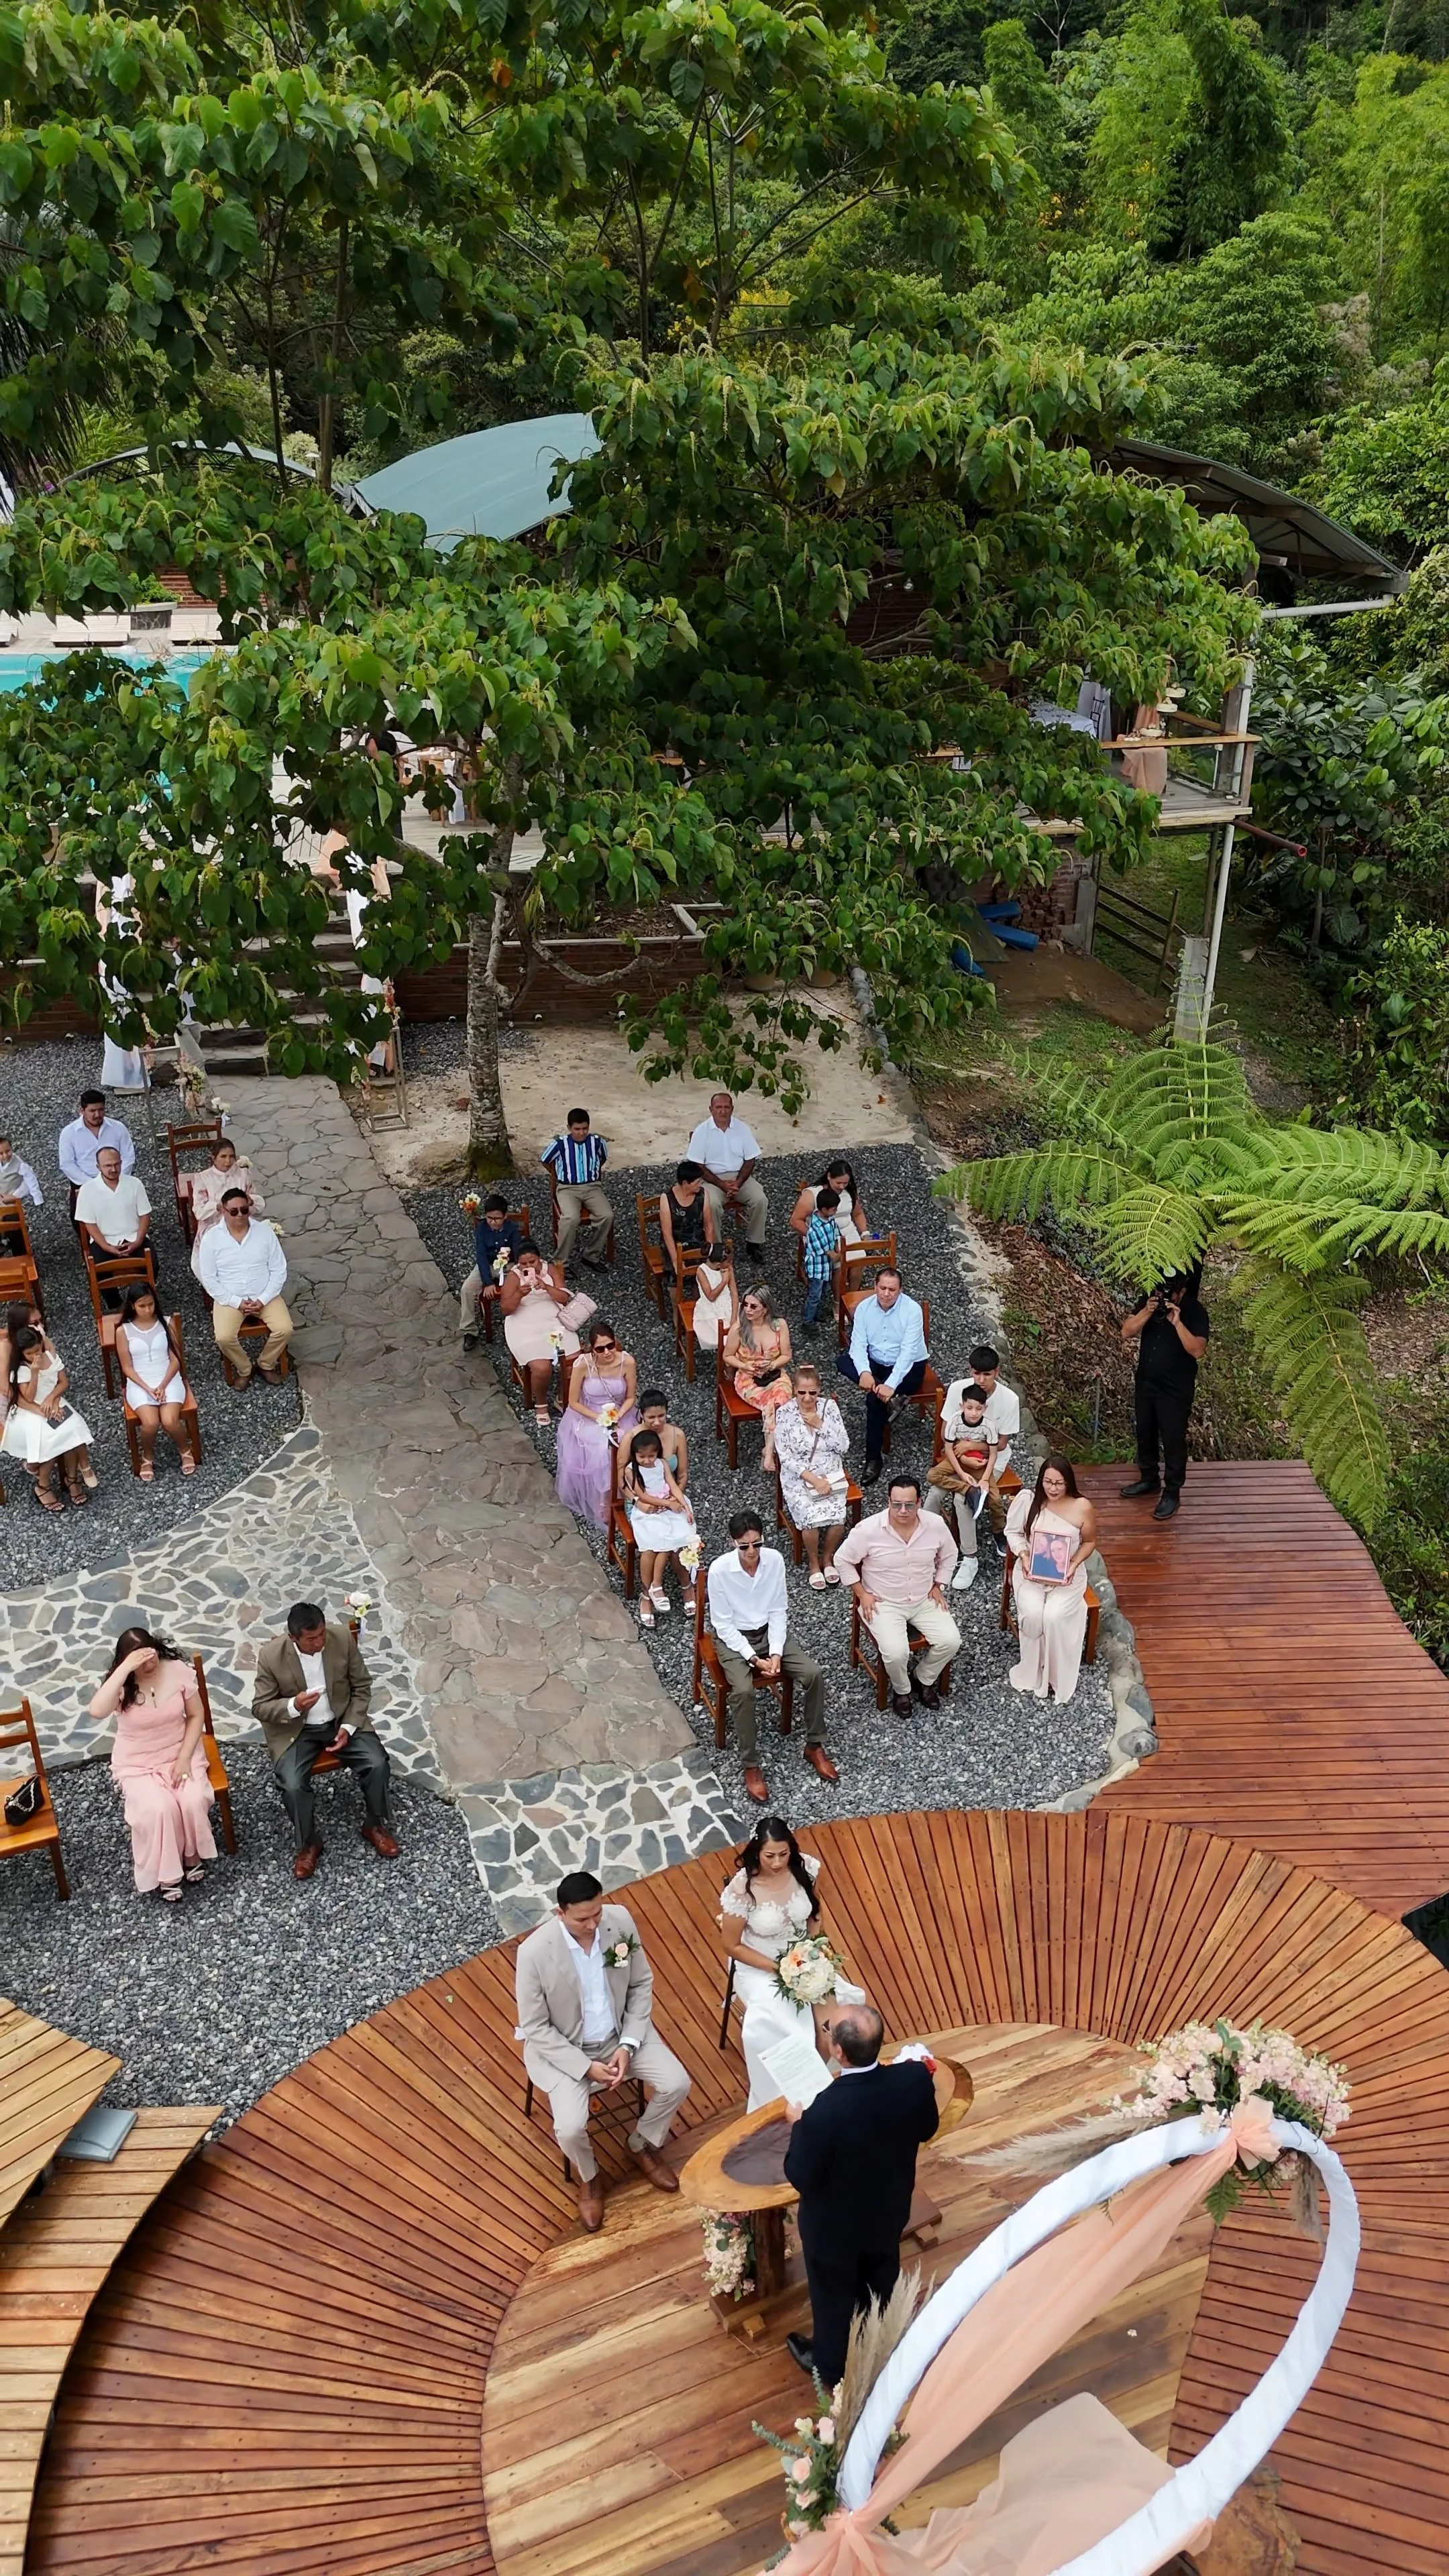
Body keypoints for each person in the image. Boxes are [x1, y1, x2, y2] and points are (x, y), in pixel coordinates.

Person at [514, 1868, 693, 2232]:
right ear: (559, 1913)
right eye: (583, 1918)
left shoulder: (619, 1920)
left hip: (620, 2035)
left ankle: (641, 2142)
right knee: (569, 2128)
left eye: (598, 1913)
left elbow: (642, 1983)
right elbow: (534, 2027)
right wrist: (585, 2067)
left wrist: (628, 2043)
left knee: (677, 2083)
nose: (594, 1924)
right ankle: (590, 2177)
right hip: (567, 2050)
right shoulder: (533, 1953)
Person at [782, 2003, 940, 2386]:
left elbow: (800, 2175)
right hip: (887, 2211)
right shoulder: (914, 2079)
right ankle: (883, 2337)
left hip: (835, 2231)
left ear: (838, 2052)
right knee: (881, 2274)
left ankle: (830, 2368)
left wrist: (798, 2126)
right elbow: (927, 2128)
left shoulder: (823, 2114)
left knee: (832, 2297)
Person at [718, 1820, 865, 2111]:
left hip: (803, 1956)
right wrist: (778, 1967)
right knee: (795, 2036)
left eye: (783, 1854)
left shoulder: (806, 1869)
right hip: (759, 1964)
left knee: (833, 2031)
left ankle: (820, 2092)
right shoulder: (742, 1889)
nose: (777, 1862)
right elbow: (731, 1945)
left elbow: (814, 1915)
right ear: (757, 1852)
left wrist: (814, 1950)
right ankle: (792, 2100)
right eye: (769, 1855)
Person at [252, 1600, 397, 1880]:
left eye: (321, 1635)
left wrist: (350, 1726)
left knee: (378, 1762)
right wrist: (294, 1705)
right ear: (293, 1638)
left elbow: (362, 1686)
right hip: (298, 1731)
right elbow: (260, 1707)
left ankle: (375, 1824)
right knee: (292, 1784)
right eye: (310, 1639)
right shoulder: (272, 1655)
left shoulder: (341, 1638)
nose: (319, 1642)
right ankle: (308, 1842)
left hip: (340, 1720)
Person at [706, 1511, 837, 1804]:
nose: (752, 1552)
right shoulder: (719, 1571)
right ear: (733, 1544)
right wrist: (754, 1659)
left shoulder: (774, 1561)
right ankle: (750, 1764)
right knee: (742, 1691)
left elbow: (779, 1608)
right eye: (744, 1546)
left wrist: (776, 1651)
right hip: (735, 1639)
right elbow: (723, 1624)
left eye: (756, 1544)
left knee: (813, 1674)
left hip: (769, 1632)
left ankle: (815, 1744)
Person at [88, 1628, 218, 1901]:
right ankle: (166, 1873)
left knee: (192, 1799)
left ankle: (191, 1854)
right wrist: (124, 1670)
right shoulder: (122, 1685)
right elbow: (97, 1711)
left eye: (152, 1656)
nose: (150, 1664)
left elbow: (196, 1715)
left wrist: (184, 1759)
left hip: (180, 1751)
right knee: (160, 1808)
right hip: (138, 1764)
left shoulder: (177, 1671)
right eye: (141, 1661)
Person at [835, 1474, 961, 1718]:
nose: (903, 1510)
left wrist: (939, 1584)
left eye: (910, 1505)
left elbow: (950, 1554)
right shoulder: (868, 1530)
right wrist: (862, 1594)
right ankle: (902, 1690)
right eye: (897, 1504)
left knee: (951, 1640)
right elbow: (842, 1560)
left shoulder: (935, 1524)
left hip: (924, 1599)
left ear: (920, 1502)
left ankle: (923, 1678)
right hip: (884, 1602)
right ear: (888, 1502)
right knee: (895, 1651)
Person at [1006, 1455, 1097, 1704]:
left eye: (1059, 1483)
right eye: (1048, 1482)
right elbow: (1013, 1533)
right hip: (1032, 1572)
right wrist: (1024, 1555)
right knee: (1034, 1615)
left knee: (1054, 1616)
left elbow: (1089, 1542)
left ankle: (1055, 1675)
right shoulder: (1029, 1500)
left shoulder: (1082, 1507)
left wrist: (1074, 1564)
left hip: (1068, 1574)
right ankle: (1033, 1668)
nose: (1053, 1489)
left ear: (1068, 1482)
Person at [1120, 1271, 1210, 1521]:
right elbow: (1126, 1331)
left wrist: (1178, 1323)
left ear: (1182, 1291)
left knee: (1172, 1439)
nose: (1163, 1296)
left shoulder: (1194, 1311)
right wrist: (1147, 1311)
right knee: (1144, 1432)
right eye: (1160, 1291)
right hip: (1146, 1382)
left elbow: (1198, 1350)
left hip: (1175, 1389)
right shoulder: (1148, 1301)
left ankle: (1172, 1491)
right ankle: (1149, 1479)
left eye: (1169, 1292)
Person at [835, 1268, 928, 1483]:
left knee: (873, 1401)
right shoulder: (864, 1309)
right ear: (876, 1287)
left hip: (909, 1368)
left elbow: (908, 1353)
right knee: (843, 1361)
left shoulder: (912, 1311)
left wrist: (891, 1385)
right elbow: (857, 1345)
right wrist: (865, 1372)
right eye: (883, 1288)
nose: (887, 1293)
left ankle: (873, 1458)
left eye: (892, 1289)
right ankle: (888, 1397)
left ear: (900, 1290)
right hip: (878, 1363)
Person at [195, 1190, 294, 1387]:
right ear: (223, 1211)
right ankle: (244, 1368)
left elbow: (279, 1269)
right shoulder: (212, 1238)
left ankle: (266, 1363)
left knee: (285, 1329)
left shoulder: (264, 1233)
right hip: (230, 1298)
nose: (240, 1215)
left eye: (244, 1210)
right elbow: (209, 1278)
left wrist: (263, 1299)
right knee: (223, 1337)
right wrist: (236, 1302)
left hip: (264, 1295)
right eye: (234, 1211)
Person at [2, 1322, 97, 1510]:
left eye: (37, 1350)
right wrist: (34, 1373)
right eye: (30, 1354)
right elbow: (27, 1397)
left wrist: (53, 1399)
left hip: (54, 1403)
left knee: (72, 1430)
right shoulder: (21, 1370)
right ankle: (43, 1485)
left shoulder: (50, 1358)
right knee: (49, 1441)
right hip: (30, 1410)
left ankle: (71, 1478)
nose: (35, 1356)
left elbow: (63, 1382)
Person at [556, 1317, 638, 1526]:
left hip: (620, 1413)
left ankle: (627, 1492)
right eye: (600, 1349)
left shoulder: (627, 1362)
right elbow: (573, 1402)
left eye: (610, 1346)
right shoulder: (583, 1365)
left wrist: (618, 1416)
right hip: (589, 1414)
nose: (607, 1353)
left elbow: (630, 1397)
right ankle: (604, 1498)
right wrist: (599, 1419)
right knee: (603, 1447)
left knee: (627, 1441)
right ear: (592, 1350)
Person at [775, 1363, 851, 1587]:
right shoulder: (785, 1413)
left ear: (819, 1391)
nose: (807, 1398)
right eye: (802, 1393)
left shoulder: (830, 1409)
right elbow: (785, 1457)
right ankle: (813, 1562)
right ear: (794, 1391)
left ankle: (827, 1557)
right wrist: (813, 1480)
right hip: (799, 1476)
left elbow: (844, 1445)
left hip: (830, 1472)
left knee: (838, 1516)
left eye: (812, 1393)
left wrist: (821, 1425)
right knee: (809, 1517)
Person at [498, 1239, 584, 1425]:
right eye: (524, 1264)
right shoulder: (513, 1277)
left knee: (576, 1361)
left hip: (552, 1320)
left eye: (533, 1262)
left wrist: (547, 1287)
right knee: (542, 1367)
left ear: (539, 1259)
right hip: (524, 1324)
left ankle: (562, 1396)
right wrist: (520, 1294)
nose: (529, 1267)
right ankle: (541, 1403)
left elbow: (565, 1298)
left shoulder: (550, 1270)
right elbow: (505, 1309)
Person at [116, 1285, 197, 1481]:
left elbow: (176, 1359)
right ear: (132, 1306)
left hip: (168, 1378)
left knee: (170, 1421)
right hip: (140, 1383)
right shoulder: (123, 1331)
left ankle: (185, 1450)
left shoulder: (166, 1323)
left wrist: (162, 1385)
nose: (148, 1310)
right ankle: (148, 1456)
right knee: (150, 1423)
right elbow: (127, 1367)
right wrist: (148, 1388)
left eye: (151, 1304)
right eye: (142, 1306)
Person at [621, 1426, 698, 1627]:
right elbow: (643, 1495)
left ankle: (683, 1584)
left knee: (680, 1538)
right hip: (650, 1510)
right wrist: (666, 1504)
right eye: (642, 1457)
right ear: (635, 1454)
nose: (647, 1460)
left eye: (651, 1456)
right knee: (655, 1544)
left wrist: (683, 1505)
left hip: (668, 1505)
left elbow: (673, 1486)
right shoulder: (631, 1471)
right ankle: (651, 1590)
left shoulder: (662, 1464)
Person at [924, 1382, 998, 1591]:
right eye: (969, 1408)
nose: (973, 1413)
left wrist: (980, 1474)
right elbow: (948, 1447)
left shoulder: (997, 1412)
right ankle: (927, 1538)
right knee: (934, 1493)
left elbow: (996, 1449)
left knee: (961, 1501)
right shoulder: (957, 1415)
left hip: (980, 1463)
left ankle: (970, 1555)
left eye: (978, 1408)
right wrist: (963, 1473)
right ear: (962, 1405)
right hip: (958, 1462)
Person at [941, 1344, 1020, 1532]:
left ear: (997, 1372)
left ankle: (989, 1538)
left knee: (964, 1497)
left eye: (987, 1375)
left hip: (992, 1459)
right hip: (958, 1453)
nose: (981, 1380)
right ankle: (968, 1550)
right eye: (977, 1374)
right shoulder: (957, 1389)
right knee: (946, 1490)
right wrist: (962, 1454)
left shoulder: (1010, 1399)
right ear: (971, 1371)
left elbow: (1001, 1444)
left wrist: (970, 1445)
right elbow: (945, 1431)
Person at [686, 1092, 769, 1254]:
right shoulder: (701, 1132)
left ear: (732, 1109)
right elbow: (698, 1165)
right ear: (711, 1110)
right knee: (712, 1205)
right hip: (711, 1180)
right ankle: (716, 1246)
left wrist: (737, 1183)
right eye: (719, 1108)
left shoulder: (742, 1128)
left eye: (726, 1107)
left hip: (739, 1177)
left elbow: (751, 1160)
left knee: (760, 1200)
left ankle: (754, 1242)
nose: (723, 1111)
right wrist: (722, 1185)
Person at [723, 1285, 794, 1472]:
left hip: (775, 1374)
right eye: (745, 1305)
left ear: (766, 1308)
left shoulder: (780, 1326)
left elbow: (786, 1355)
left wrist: (771, 1365)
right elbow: (727, 1356)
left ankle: (768, 1449)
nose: (747, 1310)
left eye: (753, 1306)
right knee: (775, 1403)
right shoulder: (739, 1329)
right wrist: (746, 1366)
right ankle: (770, 1450)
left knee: (778, 1399)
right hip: (748, 1378)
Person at [541, 1109, 612, 1270]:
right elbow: (545, 1161)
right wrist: (558, 1175)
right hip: (567, 1189)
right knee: (571, 1219)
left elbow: (602, 1158)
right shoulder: (560, 1144)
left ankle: (591, 1255)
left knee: (607, 1216)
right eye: (577, 1129)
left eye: (585, 1129)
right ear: (569, 1128)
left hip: (592, 1187)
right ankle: (560, 1262)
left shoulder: (597, 1142)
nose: (581, 1133)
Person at [459, 1192, 525, 1348]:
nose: (493, 1222)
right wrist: (488, 1282)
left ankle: (520, 1322)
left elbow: (519, 1253)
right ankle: (469, 1331)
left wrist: (510, 1256)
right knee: (466, 1290)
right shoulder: (482, 1229)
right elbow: (481, 1256)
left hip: (508, 1265)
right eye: (490, 1219)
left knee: (522, 1286)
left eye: (497, 1219)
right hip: (488, 1264)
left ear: (505, 1216)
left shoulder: (512, 1229)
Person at [188, 1138, 264, 1273]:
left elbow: (256, 1205)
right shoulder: (203, 1178)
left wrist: (249, 1201)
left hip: (241, 1221)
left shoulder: (242, 1174)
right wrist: (217, 1206)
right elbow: (199, 1212)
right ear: (213, 1158)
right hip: (213, 1225)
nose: (228, 1162)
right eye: (223, 1157)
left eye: (231, 1157)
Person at [74, 1144, 152, 1261]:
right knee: (100, 1271)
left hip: (134, 1238)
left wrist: (138, 1241)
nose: (114, 1169)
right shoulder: (87, 1190)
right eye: (108, 1166)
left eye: (117, 1164)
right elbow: (90, 1224)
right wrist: (106, 1247)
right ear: (98, 1167)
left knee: (153, 1264)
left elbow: (145, 1215)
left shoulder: (135, 1184)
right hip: (104, 1241)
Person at [57, 1089, 136, 1204]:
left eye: (101, 1110)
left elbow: (128, 1157)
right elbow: (67, 1164)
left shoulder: (118, 1128)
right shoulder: (69, 1133)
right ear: (82, 1111)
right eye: (92, 1111)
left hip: (118, 1182)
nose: (97, 1115)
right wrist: (93, 1185)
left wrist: (117, 1180)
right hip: (84, 1184)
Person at [789, 1159, 869, 1252]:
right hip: (822, 1235)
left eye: (845, 1183)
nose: (842, 1187)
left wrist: (864, 1233)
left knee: (859, 1260)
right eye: (838, 1183)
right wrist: (815, 1236)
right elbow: (796, 1220)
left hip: (849, 1233)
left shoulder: (849, 1192)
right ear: (829, 1177)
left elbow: (858, 1214)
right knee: (835, 1262)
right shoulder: (812, 1195)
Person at [657, 1160, 716, 1277]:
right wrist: (676, 1261)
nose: (700, 1185)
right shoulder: (667, 1199)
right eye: (697, 1182)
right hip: (675, 1244)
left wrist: (709, 1249)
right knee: (674, 1283)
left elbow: (708, 1225)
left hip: (697, 1241)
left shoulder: (703, 1195)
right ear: (685, 1183)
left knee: (705, 1275)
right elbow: (667, 1233)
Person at [800, 1187, 843, 1332]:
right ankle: (807, 1321)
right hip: (817, 1267)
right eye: (833, 1209)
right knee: (815, 1294)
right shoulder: (814, 1228)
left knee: (823, 1291)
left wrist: (838, 1248)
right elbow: (823, 1249)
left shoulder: (830, 1220)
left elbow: (836, 1233)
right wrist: (836, 1255)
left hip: (826, 1267)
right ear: (824, 1209)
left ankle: (816, 1314)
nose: (835, 1212)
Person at [691, 1243, 738, 1356]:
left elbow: (734, 1294)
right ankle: (728, 1359)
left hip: (728, 1306)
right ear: (718, 1265)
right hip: (711, 1310)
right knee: (724, 1337)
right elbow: (711, 1297)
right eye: (728, 1262)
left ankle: (735, 1360)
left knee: (744, 1330)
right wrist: (724, 1281)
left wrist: (734, 1318)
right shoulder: (701, 1271)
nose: (730, 1264)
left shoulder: (728, 1268)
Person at [0, 1137, 43, 1240]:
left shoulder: (19, 1164)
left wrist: (38, 1200)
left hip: (11, 1201)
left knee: (15, 1227)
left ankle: (18, 1247)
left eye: (8, 1151)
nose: (5, 1156)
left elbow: (31, 1181)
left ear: (12, 1149)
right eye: (1, 1153)